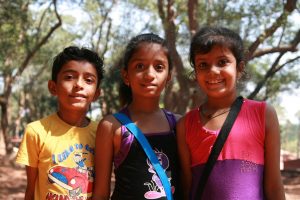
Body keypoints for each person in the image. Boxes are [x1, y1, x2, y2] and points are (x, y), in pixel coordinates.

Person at [176, 26, 286, 200]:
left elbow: (274, 186)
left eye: (222, 62)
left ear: (239, 68)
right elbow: (187, 187)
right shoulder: (185, 126)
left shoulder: (263, 114)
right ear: (195, 73)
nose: (213, 71)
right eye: (203, 64)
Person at [92, 33, 182, 200]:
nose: (149, 74)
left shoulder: (178, 124)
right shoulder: (112, 126)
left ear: (169, 76)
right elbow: (101, 193)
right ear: (126, 75)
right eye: (140, 66)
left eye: (159, 67)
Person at [16, 46, 104, 200]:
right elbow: (31, 189)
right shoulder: (36, 131)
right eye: (69, 77)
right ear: (53, 87)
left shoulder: (103, 133)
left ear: (96, 93)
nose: (78, 84)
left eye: (88, 80)